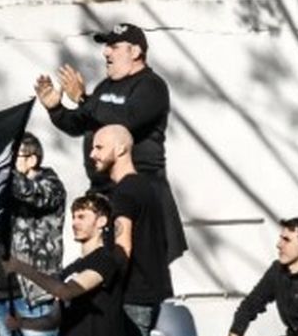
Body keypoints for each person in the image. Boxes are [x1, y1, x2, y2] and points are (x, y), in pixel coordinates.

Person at [36, 22, 189, 281]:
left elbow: (126, 121)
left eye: (114, 46)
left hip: (139, 194)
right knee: (101, 270)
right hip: (104, 194)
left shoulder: (152, 86)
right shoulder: (106, 87)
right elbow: (79, 123)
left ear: (136, 51)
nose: (106, 53)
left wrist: (85, 99)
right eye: (106, 46)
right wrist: (56, 109)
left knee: (132, 272)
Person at [4, 193, 128, 336]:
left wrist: (21, 267)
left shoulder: (105, 260)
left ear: (101, 221)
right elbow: (54, 319)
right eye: (73, 216)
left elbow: (66, 292)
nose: (75, 222)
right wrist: (23, 323)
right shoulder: (71, 268)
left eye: (82, 216)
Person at [90, 124, 162, 336]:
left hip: (133, 297)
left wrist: (100, 284)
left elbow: (123, 248)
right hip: (145, 295)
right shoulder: (144, 187)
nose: (92, 154)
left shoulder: (125, 192)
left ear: (120, 149)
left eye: (98, 147)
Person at [0, 134, 66, 336]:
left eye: (14, 158)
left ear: (32, 158)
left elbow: (31, 193)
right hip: (4, 295)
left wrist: (2, 169)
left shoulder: (49, 184)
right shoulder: (2, 192)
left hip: (35, 295)